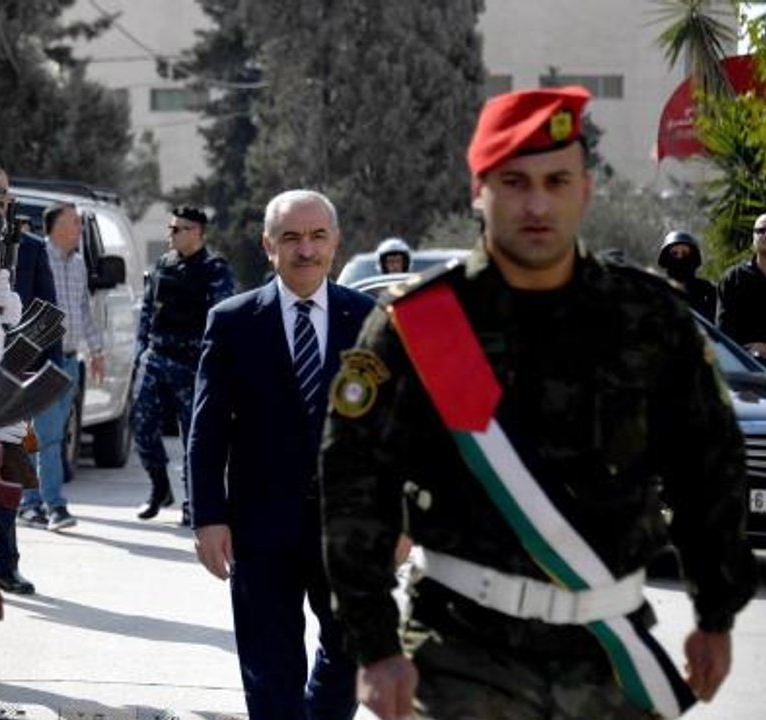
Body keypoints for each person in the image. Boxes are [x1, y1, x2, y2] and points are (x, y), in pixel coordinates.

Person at [320, 86, 759, 720]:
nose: (537, 204)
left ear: (585, 189)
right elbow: (354, 486)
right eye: (514, 182)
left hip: (608, 655)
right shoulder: (420, 326)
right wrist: (374, 642)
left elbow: (707, 467)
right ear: (479, 190)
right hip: (458, 650)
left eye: (557, 181)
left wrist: (715, 610)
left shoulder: (648, 316)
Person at [188, 189, 374, 719]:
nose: (306, 250)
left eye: (317, 236)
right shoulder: (233, 321)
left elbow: (395, 430)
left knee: (351, 649)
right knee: (271, 666)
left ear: (335, 243)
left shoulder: (368, 319)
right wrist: (208, 518)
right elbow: (208, 430)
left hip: (349, 528)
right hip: (260, 525)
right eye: (291, 238)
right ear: (268, 246)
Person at [0, 163, 57, 594]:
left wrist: (33, 368)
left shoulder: (32, 248)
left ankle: (6, 564)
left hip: (10, 375)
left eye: (0, 193)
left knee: (7, 476)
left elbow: (47, 313)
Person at [132, 205, 235, 524]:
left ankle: (194, 505)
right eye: (170, 228)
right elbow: (149, 308)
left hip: (193, 365)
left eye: (178, 229)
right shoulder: (163, 263)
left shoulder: (214, 268)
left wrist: (215, 363)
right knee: (142, 427)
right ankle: (160, 487)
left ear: (197, 233)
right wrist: (142, 350)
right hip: (158, 358)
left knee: (195, 437)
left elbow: (221, 319)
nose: (170, 234)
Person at [18, 202, 104, 532]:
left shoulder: (79, 263)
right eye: (74, 222)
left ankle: (32, 503)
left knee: (48, 434)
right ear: (54, 226)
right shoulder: (40, 256)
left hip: (70, 360)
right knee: (47, 435)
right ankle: (51, 505)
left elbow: (83, 310)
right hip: (42, 360)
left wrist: (96, 352)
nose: (80, 228)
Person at [717, 212, 766, 358]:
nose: (764, 235)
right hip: (744, 368)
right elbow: (723, 332)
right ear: (753, 237)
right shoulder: (733, 278)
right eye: (760, 231)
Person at [658, 230, 717, 322]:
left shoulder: (707, 291)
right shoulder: (658, 290)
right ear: (666, 258)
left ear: (693, 257)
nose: (680, 258)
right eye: (674, 253)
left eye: (685, 253)